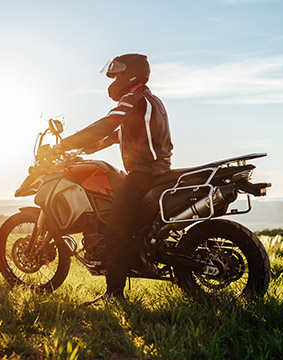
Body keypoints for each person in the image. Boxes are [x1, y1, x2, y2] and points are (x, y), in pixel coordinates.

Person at [52, 53, 173, 301]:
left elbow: (106, 124)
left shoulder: (134, 98)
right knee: (128, 223)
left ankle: (114, 293)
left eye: (117, 74)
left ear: (131, 74)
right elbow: (120, 134)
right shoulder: (152, 101)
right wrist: (87, 148)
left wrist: (63, 145)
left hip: (143, 173)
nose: (115, 79)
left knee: (116, 229)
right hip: (158, 170)